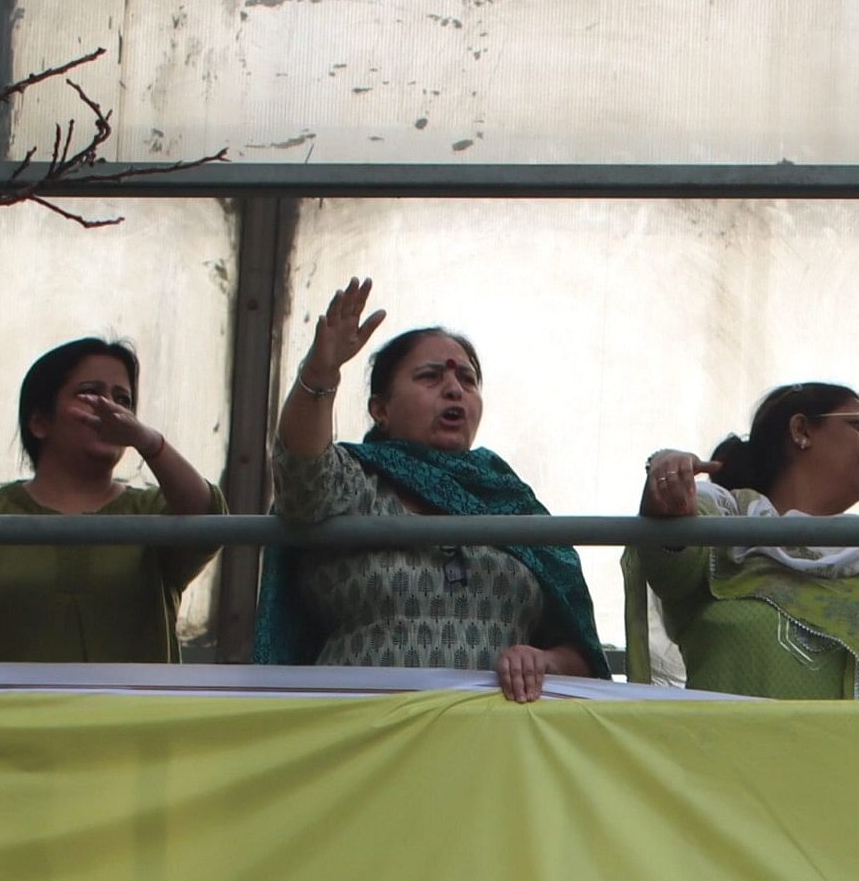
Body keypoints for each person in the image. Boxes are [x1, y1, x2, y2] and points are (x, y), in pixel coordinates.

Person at [253, 279, 605, 702]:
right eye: (430, 376)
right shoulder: (351, 481)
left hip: (494, 747)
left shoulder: (512, 504)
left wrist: (543, 661)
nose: (455, 389)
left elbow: (581, 653)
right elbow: (300, 470)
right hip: (360, 737)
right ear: (380, 409)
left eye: (468, 380)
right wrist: (319, 373)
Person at [630, 382, 859, 716]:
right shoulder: (726, 517)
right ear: (802, 430)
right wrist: (666, 499)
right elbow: (669, 571)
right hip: (717, 757)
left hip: (840, 760)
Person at [0, 336, 222, 664]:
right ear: (40, 421)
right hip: (1, 716)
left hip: (130, 716)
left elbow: (208, 519)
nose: (110, 410)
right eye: (89, 394)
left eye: (123, 400)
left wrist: (149, 442)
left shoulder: (150, 514)